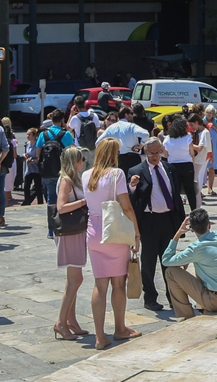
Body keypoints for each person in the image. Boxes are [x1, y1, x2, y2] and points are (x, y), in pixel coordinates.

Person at [82, 138, 142, 350]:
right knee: (118, 284)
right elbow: (125, 206)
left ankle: (99, 336)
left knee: (100, 285)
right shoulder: (117, 174)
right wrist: (136, 232)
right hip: (113, 231)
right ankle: (120, 328)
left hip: (93, 231)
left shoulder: (86, 175)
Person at [128, 137, 186, 311]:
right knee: (149, 261)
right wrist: (132, 186)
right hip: (149, 221)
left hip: (168, 219)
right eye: (151, 153)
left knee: (168, 261)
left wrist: (181, 223)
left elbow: (175, 195)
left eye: (157, 152)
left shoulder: (169, 168)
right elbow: (131, 197)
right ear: (145, 152)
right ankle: (150, 297)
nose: (155, 156)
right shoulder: (136, 170)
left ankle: (173, 297)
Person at [161, 209, 217, 319]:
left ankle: (186, 317)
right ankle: (203, 308)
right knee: (201, 264)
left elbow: (166, 260)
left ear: (192, 229)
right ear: (209, 224)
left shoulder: (196, 248)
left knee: (170, 272)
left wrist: (178, 233)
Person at [53, 146, 89, 341]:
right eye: (81, 158)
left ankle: (71, 320)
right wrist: (84, 202)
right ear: (74, 161)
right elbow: (61, 207)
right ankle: (61, 322)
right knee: (76, 279)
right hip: (70, 232)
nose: (83, 162)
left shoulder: (72, 179)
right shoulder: (66, 180)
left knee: (73, 279)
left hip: (74, 232)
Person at [36, 110, 75, 239]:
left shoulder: (43, 134)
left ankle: (51, 230)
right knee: (64, 198)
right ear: (62, 120)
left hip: (48, 171)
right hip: (62, 171)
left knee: (50, 198)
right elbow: (73, 152)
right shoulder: (66, 134)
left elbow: (38, 154)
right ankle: (62, 226)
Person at [96, 107, 148, 176]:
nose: (133, 116)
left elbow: (98, 143)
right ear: (126, 115)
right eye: (131, 113)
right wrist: (140, 146)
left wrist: (108, 153)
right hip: (133, 157)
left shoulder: (111, 128)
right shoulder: (131, 126)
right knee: (134, 182)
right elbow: (146, 134)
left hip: (116, 158)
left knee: (118, 183)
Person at [162, 116, 198, 211]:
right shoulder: (187, 137)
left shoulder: (167, 139)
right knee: (190, 190)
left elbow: (166, 155)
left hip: (173, 166)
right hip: (187, 165)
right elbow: (192, 153)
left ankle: (177, 211)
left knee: (175, 190)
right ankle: (194, 210)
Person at [68, 96, 101, 169]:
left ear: (75, 105)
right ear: (84, 103)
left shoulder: (75, 118)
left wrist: (71, 114)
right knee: (92, 172)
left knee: (80, 173)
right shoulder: (94, 116)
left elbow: (68, 129)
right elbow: (98, 130)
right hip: (92, 147)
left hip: (80, 148)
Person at [188, 114, 211, 208]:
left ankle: (197, 206)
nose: (192, 127)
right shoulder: (197, 132)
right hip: (196, 160)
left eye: (192, 125)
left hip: (200, 160)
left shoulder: (205, 132)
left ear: (197, 122)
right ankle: (197, 205)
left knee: (197, 183)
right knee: (195, 182)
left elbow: (200, 148)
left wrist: (188, 144)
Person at [204, 105, 217, 196]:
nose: (209, 114)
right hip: (203, 148)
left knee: (211, 168)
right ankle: (200, 189)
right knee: (202, 169)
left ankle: (210, 188)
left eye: (211, 113)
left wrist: (215, 127)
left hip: (214, 148)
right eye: (208, 112)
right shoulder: (202, 121)